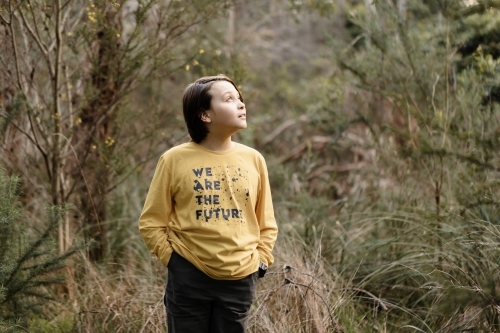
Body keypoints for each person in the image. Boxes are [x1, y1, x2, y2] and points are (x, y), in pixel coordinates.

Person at [138, 74, 278, 332]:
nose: (240, 104)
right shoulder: (173, 160)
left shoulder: (253, 159)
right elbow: (151, 222)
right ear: (205, 115)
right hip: (189, 275)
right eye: (229, 99)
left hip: (240, 277)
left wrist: (260, 262)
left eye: (239, 98)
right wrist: (174, 261)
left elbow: (266, 222)